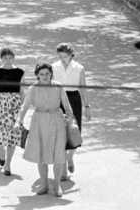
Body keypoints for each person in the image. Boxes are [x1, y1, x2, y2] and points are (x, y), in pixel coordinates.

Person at [16, 63, 76, 198]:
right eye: (42, 74)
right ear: (37, 75)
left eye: (47, 74)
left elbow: (67, 106)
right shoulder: (33, 89)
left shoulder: (58, 86)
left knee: (59, 154)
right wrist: (18, 121)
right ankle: (43, 184)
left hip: (57, 120)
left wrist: (70, 120)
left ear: (51, 74)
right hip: (39, 122)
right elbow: (24, 107)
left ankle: (57, 185)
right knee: (40, 154)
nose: (45, 76)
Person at [51, 43, 89, 179]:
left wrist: (87, 106)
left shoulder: (79, 68)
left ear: (71, 55)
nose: (62, 59)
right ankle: (63, 171)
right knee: (59, 134)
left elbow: (83, 88)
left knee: (74, 132)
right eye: (60, 56)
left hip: (74, 99)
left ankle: (70, 157)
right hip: (58, 99)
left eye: (65, 56)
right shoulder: (54, 67)